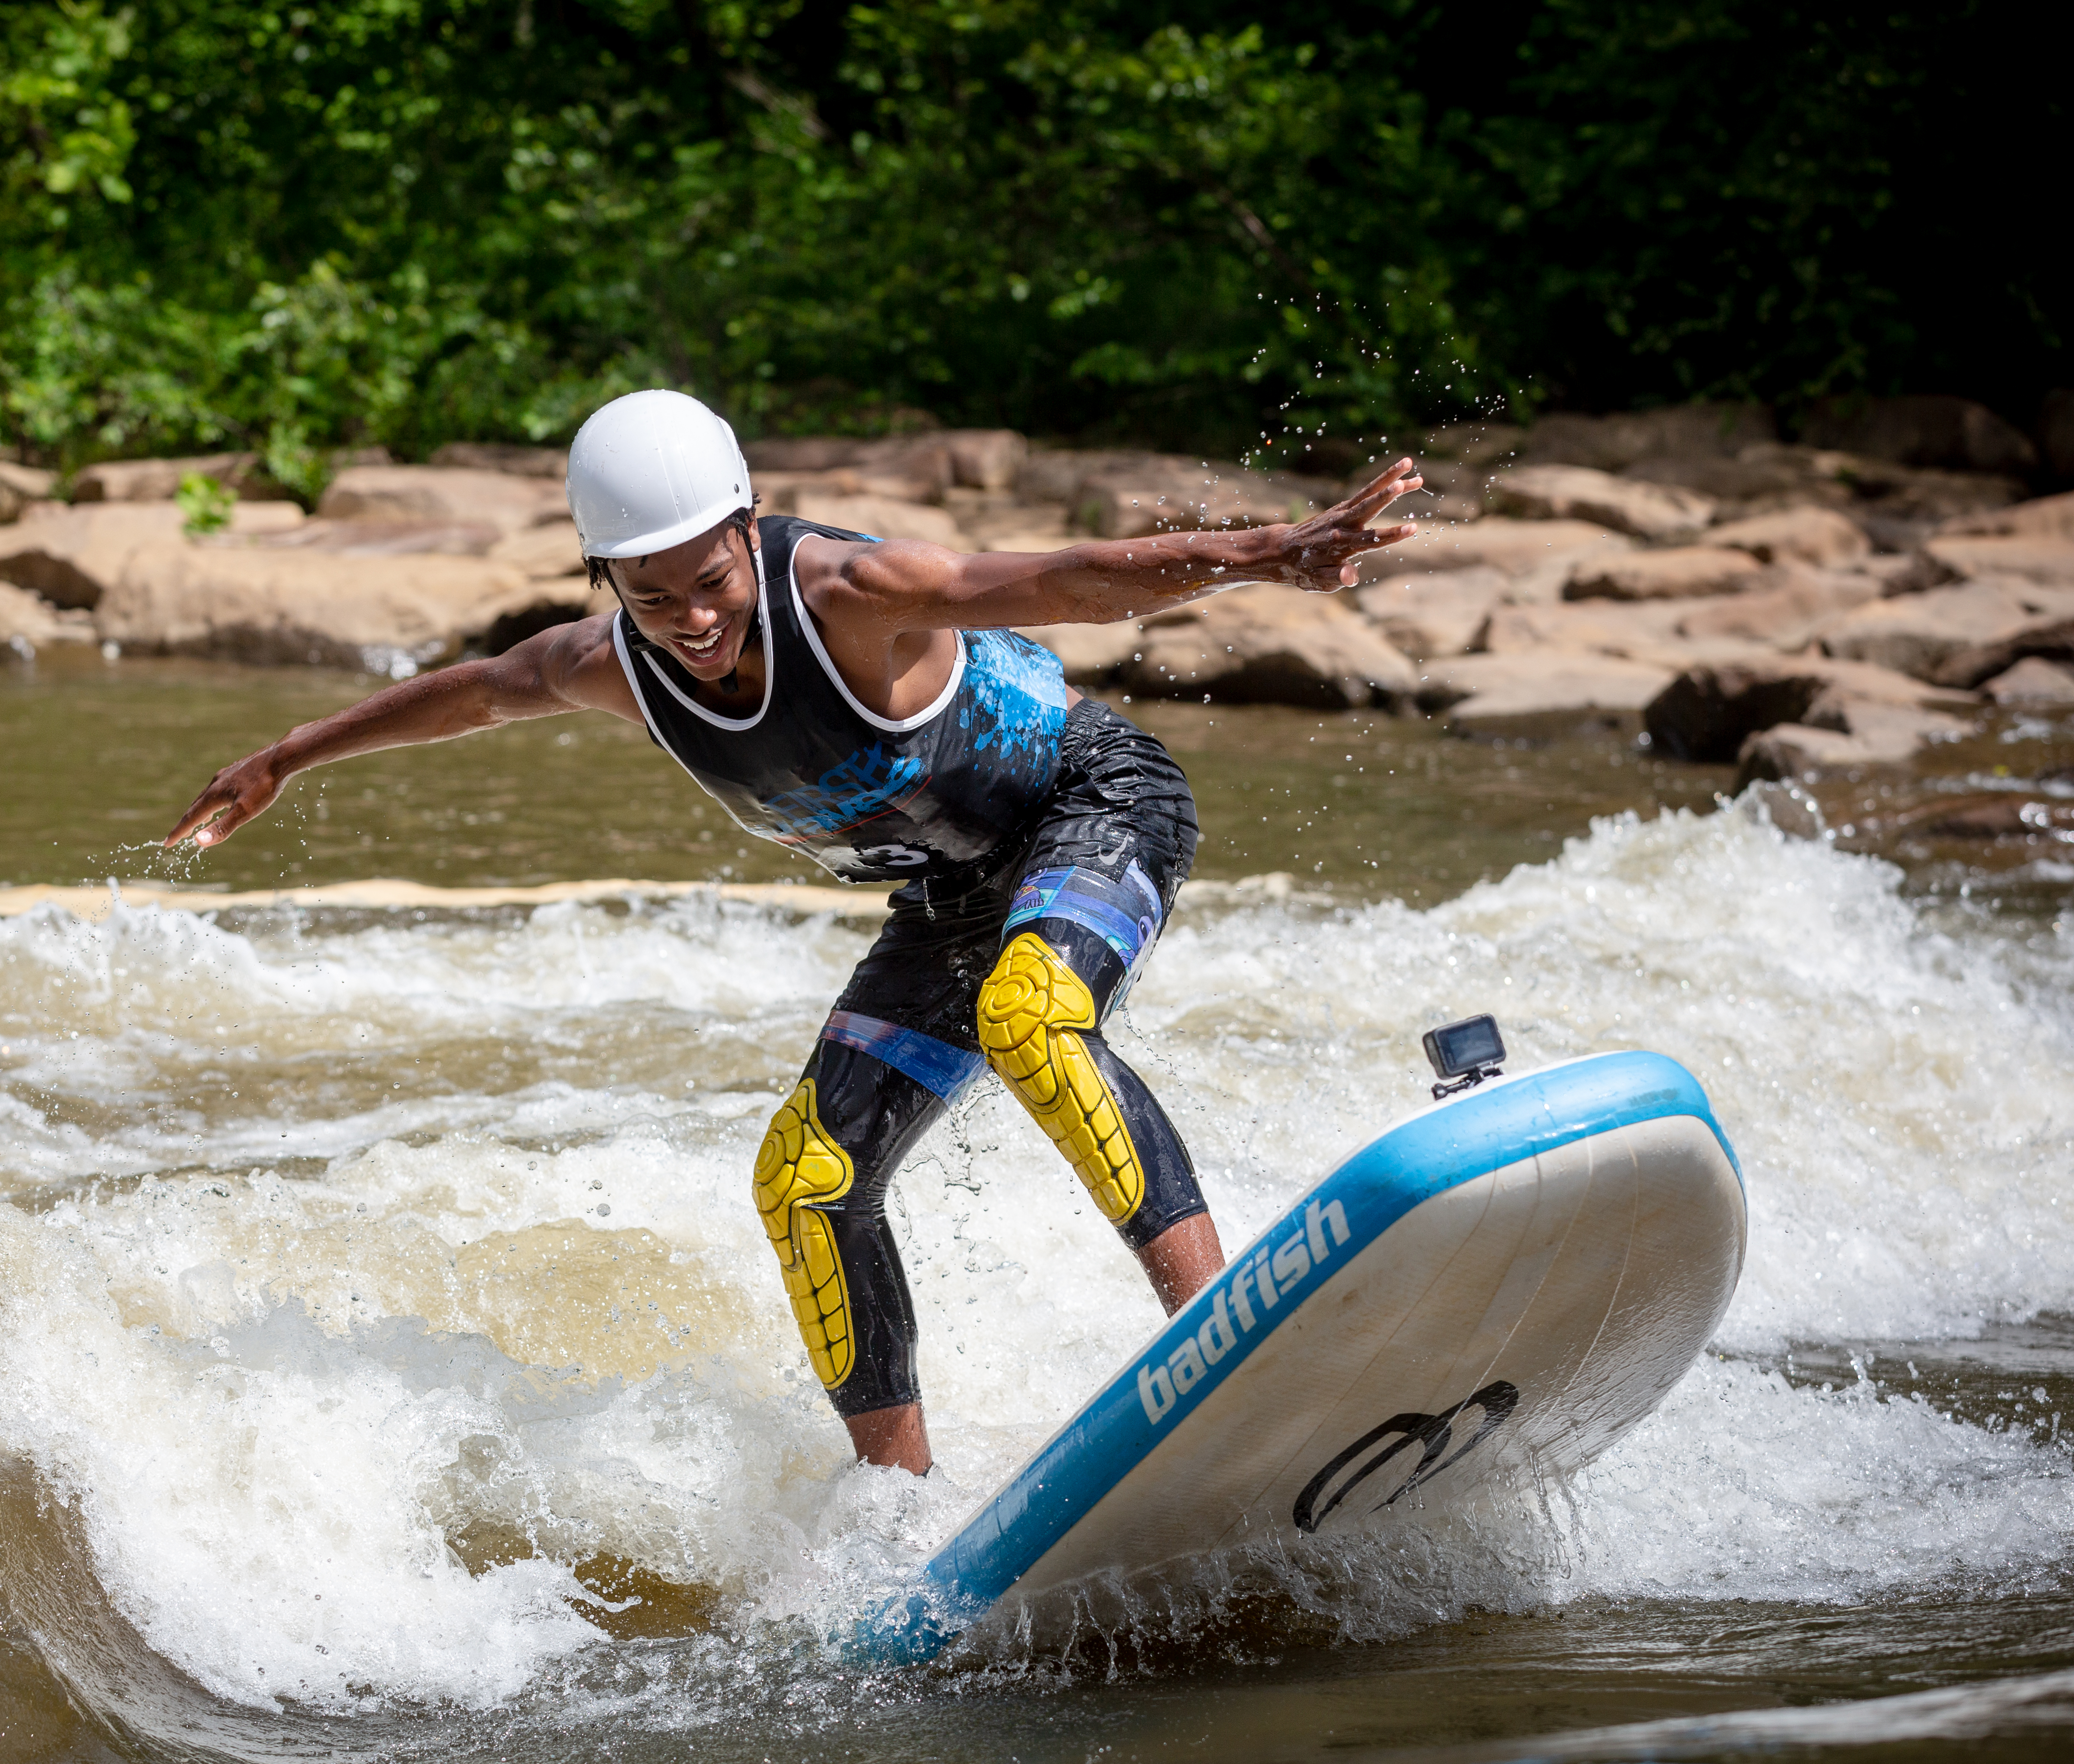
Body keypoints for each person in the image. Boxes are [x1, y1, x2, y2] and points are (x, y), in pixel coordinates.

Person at [165, 391, 1420, 1473]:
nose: (693, 620)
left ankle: (1220, 1337)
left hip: (1093, 804)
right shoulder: (614, 662)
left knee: (1031, 1018)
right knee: (805, 1180)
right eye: (651, 597)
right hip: (948, 897)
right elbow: (479, 690)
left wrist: (1269, 552)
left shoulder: (851, 593)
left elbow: (1062, 578)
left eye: (711, 582)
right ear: (605, 577)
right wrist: (290, 754)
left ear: (748, 526)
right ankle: (901, 1506)